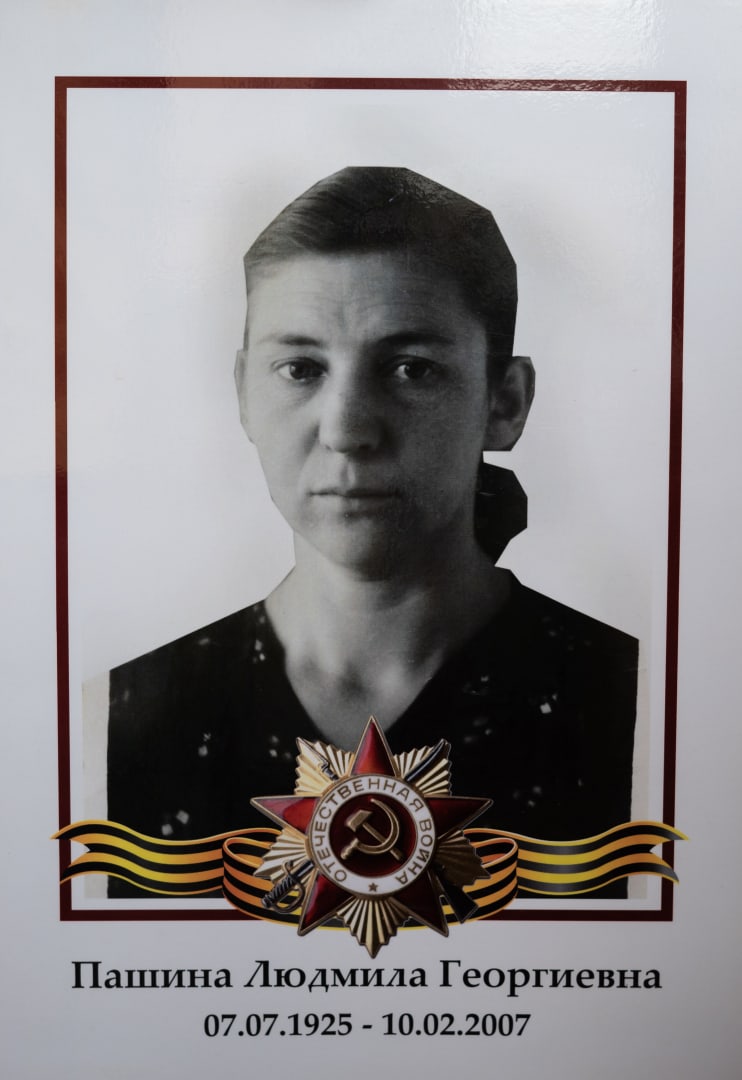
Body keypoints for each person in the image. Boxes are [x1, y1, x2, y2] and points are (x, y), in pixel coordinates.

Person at [105, 167, 638, 897]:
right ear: (244, 395)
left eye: (411, 369)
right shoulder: (121, 715)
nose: (348, 429)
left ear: (504, 403)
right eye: (300, 368)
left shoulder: (637, 702)